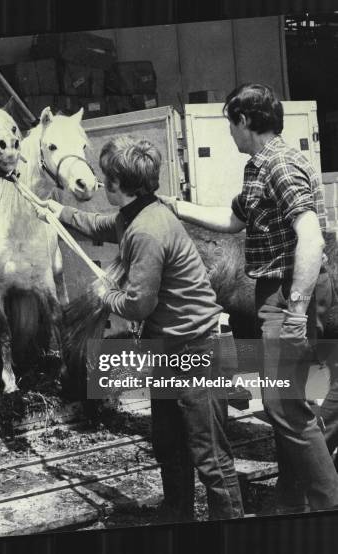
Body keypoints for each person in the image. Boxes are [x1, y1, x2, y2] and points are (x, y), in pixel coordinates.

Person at [36, 137, 244, 522]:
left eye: (106, 179)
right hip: (170, 348)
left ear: (119, 185)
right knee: (168, 443)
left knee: (210, 455)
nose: (101, 184)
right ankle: (176, 513)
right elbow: (98, 223)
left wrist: (106, 294)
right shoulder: (138, 212)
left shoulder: (147, 230)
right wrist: (57, 210)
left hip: (199, 350)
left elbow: (138, 305)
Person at [158, 83, 338, 513]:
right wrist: (178, 207)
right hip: (278, 291)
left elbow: (310, 237)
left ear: (244, 121)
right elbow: (234, 219)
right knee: (288, 403)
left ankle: (327, 504)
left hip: (287, 291)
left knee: (285, 408)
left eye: (230, 125)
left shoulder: (278, 165)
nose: (230, 134)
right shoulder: (259, 166)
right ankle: (297, 503)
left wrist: (294, 310)